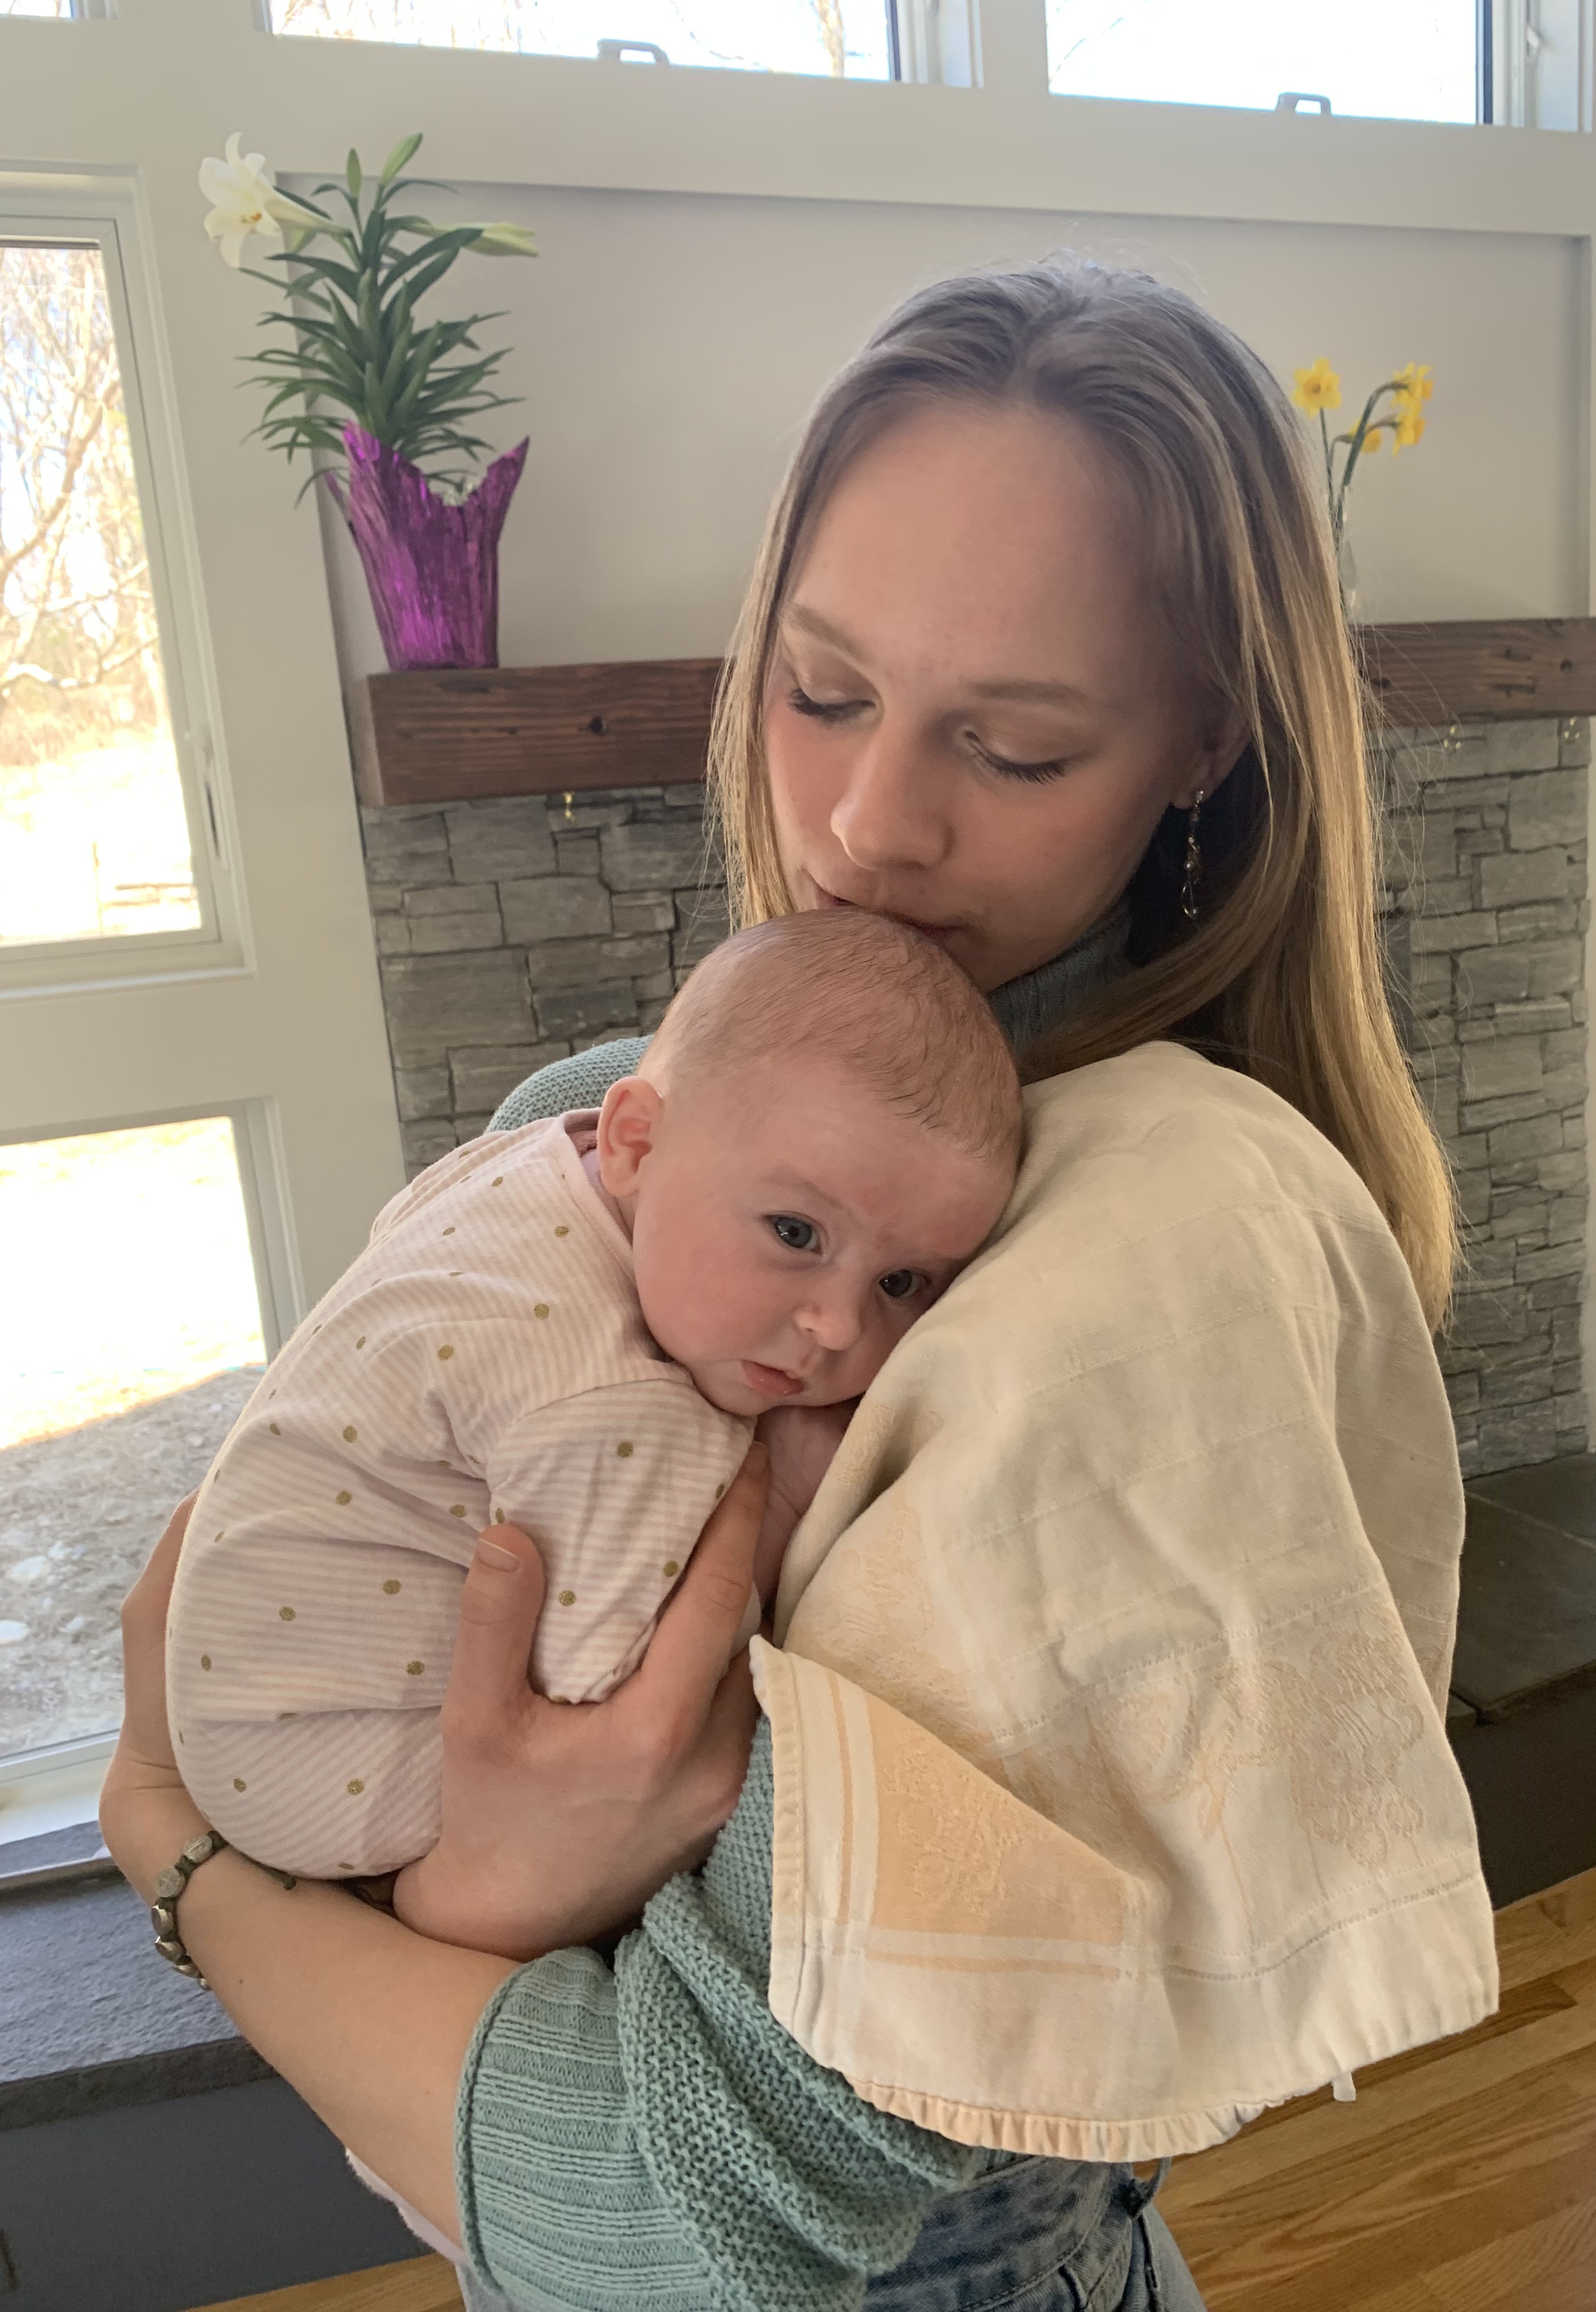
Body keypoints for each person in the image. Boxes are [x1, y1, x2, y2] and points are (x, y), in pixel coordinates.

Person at [103, 260, 1462, 2312]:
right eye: (821, 692)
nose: (865, 824)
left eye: (1015, 746)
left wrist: (183, 1855)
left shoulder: (1153, 1277)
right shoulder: (597, 1113)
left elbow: (667, 2222)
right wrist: (467, 1881)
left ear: (1206, 738)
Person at [165, 911, 1019, 1882]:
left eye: (902, 1283)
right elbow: (611, 1710)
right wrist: (781, 1501)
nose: (837, 1325)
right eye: (795, 1232)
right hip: (326, 1778)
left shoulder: (528, 1155)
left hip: (225, 1684)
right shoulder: (617, 1402)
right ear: (633, 1142)